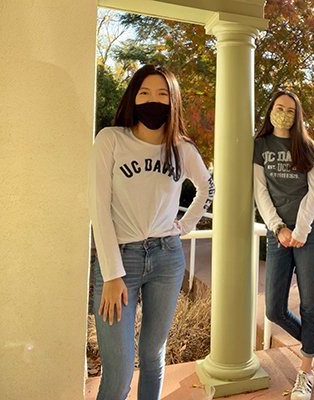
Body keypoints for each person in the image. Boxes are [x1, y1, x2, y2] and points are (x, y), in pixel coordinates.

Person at [88, 64, 215, 400]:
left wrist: (184, 226)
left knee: (153, 356)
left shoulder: (182, 149)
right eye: (145, 92)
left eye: (162, 94)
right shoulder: (111, 139)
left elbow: (207, 188)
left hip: (167, 258)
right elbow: (98, 208)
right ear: (133, 97)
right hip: (120, 261)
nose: (152, 101)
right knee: (118, 372)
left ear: (173, 102)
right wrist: (112, 273)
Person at [253, 90, 314, 400]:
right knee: (274, 308)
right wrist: (278, 227)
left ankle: (305, 372)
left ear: (297, 115)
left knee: (308, 304)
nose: (285, 113)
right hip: (278, 235)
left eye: (290, 110)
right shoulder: (259, 146)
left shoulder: (307, 147)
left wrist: (300, 230)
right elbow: (260, 191)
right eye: (279, 107)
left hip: (309, 233)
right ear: (271, 110)